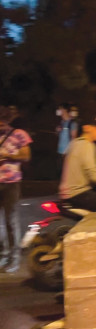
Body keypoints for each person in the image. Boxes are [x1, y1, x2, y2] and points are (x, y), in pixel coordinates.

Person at [0, 106, 33, 273]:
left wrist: (8, 156)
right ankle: (4, 255)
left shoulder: (19, 134)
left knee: (10, 220)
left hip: (11, 182)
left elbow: (26, 155)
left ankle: (15, 258)